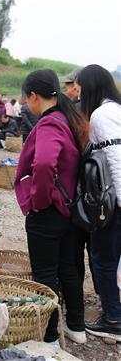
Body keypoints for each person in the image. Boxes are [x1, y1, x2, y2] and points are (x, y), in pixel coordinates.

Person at [14, 69, 89, 345]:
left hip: (49, 211)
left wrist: (39, 201)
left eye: (26, 98)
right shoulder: (69, 118)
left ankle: (48, 335)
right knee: (68, 267)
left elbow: (44, 163)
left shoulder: (49, 124)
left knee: (45, 272)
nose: (25, 104)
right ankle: (76, 327)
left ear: (34, 96)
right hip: (69, 208)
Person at [77, 64, 121, 340]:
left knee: (103, 258)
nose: (78, 93)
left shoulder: (100, 115)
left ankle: (114, 318)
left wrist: (111, 202)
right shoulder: (117, 109)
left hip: (117, 200)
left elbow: (113, 162)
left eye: (80, 88)